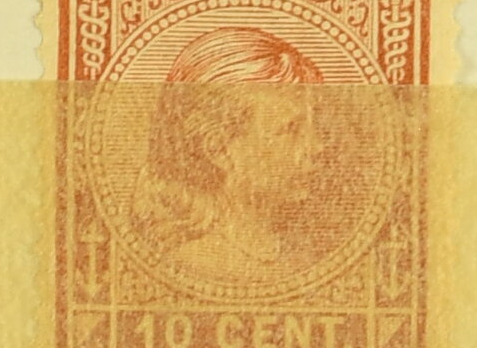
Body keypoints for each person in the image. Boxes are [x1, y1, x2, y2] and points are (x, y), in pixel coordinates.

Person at [125, 25, 378, 289]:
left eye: (314, 127)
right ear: (219, 150)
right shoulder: (195, 264)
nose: (317, 147)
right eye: (291, 129)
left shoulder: (298, 255)